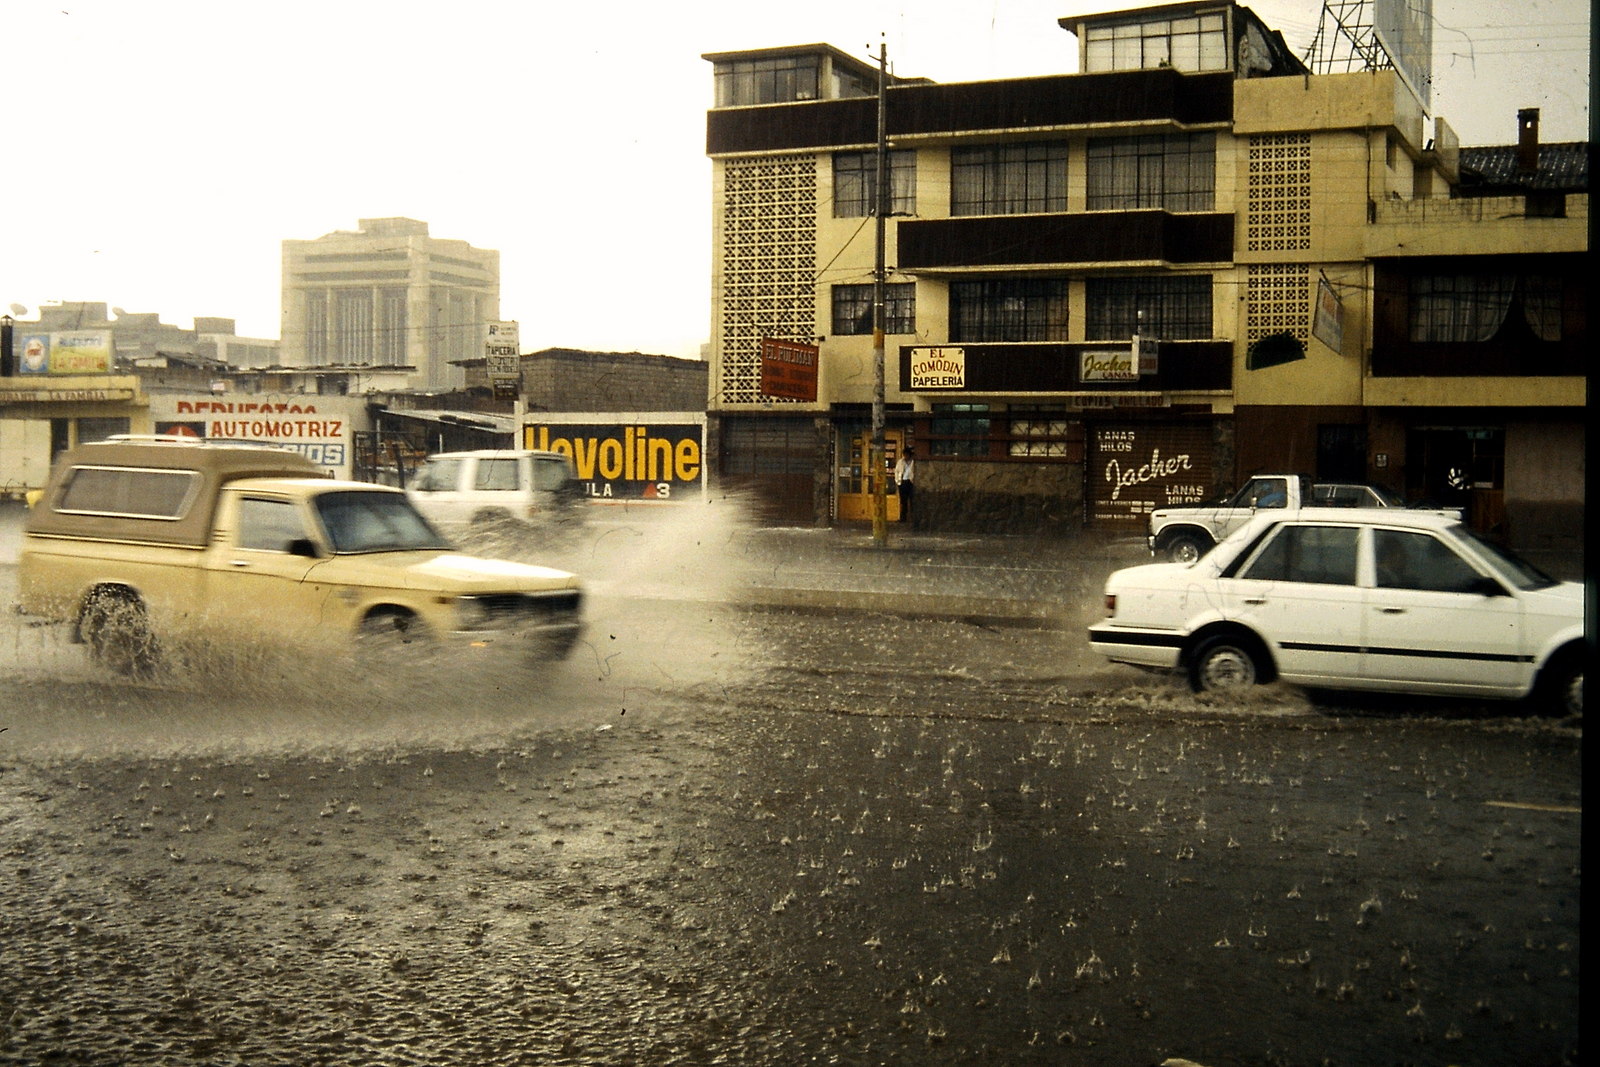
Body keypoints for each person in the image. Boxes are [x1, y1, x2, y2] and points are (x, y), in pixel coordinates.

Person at [894, 447, 915, 524]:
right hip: (903, 482)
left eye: (907, 454)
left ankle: (913, 518)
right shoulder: (900, 462)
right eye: (904, 455)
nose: (906, 456)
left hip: (911, 482)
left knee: (912, 501)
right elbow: (896, 471)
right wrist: (898, 481)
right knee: (903, 501)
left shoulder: (913, 462)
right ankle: (903, 518)